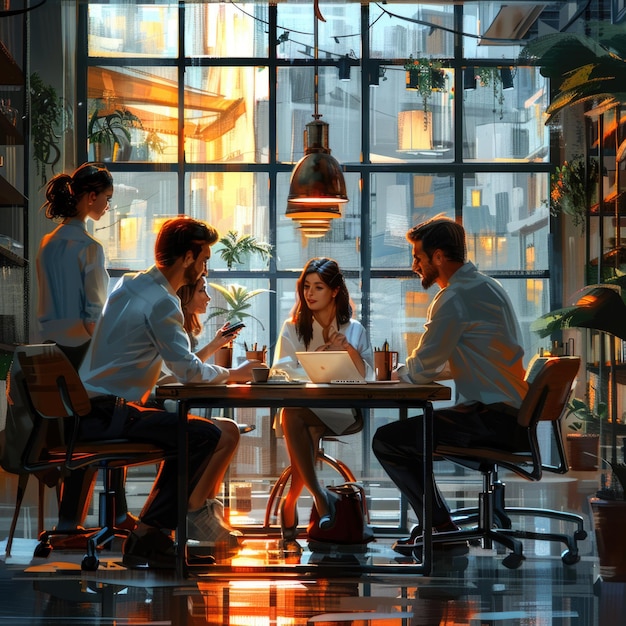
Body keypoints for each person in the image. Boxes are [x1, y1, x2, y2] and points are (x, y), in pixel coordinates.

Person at [79, 216, 265, 568]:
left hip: (91, 410)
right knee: (203, 435)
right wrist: (236, 373)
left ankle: (152, 536)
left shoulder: (130, 285)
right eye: (205, 259)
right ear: (187, 259)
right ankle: (150, 533)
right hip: (109, 414)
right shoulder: (163, 302)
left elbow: (149, 362)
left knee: (191, 431)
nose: (205, 266)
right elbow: (189, 371)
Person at [371, 215, 528, 557]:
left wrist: (396, 373)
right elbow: (459, 356)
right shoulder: (486, 286)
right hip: (511, 415)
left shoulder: (454, 297)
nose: (415, 265)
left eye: (418, 257)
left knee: (388, 441)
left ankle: (441, 527)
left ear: (438, 257)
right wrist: (418, 371)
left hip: (493, 419)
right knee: (412, 435)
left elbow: (422, 366)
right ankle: (438, 522)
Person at [35, 162, 133, 541]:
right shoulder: (89, 248)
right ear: (90, 197)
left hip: (48, 357)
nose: (107, 206)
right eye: (106, 199)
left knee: (74, 435)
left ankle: (68, 521)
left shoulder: (47, 244)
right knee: (111, 423)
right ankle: (117, 513)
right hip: (82, 354)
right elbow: (95, 317)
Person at [272, 258, 374, 554]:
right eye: (306, 286)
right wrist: (314, 361)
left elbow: (367, 374)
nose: (310, 293)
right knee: (298, 417)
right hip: (304, 408)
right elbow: (280, 369)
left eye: (318, 286)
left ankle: (291, 503)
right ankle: (320, 497)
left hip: (343, 411)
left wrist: (346, 349)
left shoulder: (352, 328)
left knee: (295, 418)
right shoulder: (293, 328)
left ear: (334, 291)